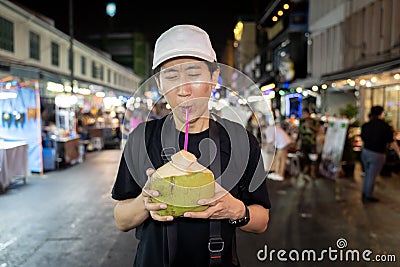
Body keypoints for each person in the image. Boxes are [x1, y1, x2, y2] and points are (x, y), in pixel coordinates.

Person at [111, 24, 271, 267]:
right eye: (172, 77)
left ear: (214, 78)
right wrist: (144, 201)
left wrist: (235, 210)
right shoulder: (141, 139)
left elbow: (261, 221)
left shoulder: (240, 140)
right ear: (160, 85)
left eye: (194, 74)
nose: (183, 90)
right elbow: (121, 220)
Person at [360, 105, 400, 203]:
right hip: (377, 154)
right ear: (381, 114)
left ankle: (365, 192)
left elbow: (362, 137)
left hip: (365, 152)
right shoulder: (385, 126)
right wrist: (399, 152)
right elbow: (392, 141)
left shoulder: (366, 125)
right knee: (372, 175)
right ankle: (368, 196)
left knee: (368, 174)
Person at [297, 108, 319, 179]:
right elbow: (299, 132)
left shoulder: (314, 121)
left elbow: (318, 130)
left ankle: (313, 172)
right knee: (304, 156)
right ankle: (306, 168)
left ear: (308, 113)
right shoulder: (301, 121)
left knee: (313, 158)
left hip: (312, 142)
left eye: (304, 113)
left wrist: (310, 126)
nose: (303, 115)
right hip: (304, 142)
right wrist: (297, 140)